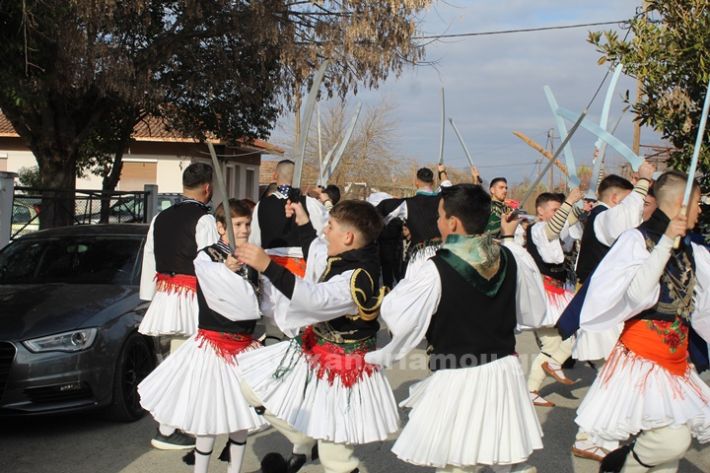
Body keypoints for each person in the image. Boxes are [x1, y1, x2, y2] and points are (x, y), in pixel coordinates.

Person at [365, 184, 546, 473]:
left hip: (459, 372)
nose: (437, 221)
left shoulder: (434, 269)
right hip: (504, 369)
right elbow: (534, 314)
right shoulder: (512, 257)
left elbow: (397, 317)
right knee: (496, 444)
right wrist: (509, 239)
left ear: (452, 222)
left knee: (456, 457)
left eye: (439, 216)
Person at [236, 199, 399, 473]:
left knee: (334, 457)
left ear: (348, 237)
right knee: (253, 388)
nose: (325, 230)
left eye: (330, 226)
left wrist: (268, 266)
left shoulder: (357, 278)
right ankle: (304, 436)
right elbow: (317, 249)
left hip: (344, 370)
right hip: (315, 350)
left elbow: (314, 299)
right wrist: (302, 221)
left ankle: (319, 445)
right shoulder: (348, 254)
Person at [574, 171, 710, 473]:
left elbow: (703, 307)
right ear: (681, 203)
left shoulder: (692, 249)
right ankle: (622, 464)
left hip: (675, 361)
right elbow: (636, 295)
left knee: (668, 459)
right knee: (672, 439)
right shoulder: (636, 240)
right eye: (698, 203)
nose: (701, 211)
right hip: (642, 358)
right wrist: (664, 243)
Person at [138, 200, 264, 473]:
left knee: (241, 415)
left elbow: (262, 298)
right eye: (237, 225)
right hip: (214, 346)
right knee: (209, 416)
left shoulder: (254, 257)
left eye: (247, 224)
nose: (243, 230)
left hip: (244, 346)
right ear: (221, 227)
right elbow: (205, 274)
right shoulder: (207, 257)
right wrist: (225, 269)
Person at [561, 163, 655, 462]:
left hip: (605, 309)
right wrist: (643, 182)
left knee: (613, 376)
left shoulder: (603, 218)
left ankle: (600, 436)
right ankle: (591, 437)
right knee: (612, 376)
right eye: (633, 200)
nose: (638, 207)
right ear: (616, 199)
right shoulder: (604, 217)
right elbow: (625, 219)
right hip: (600, 310)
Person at [139, 162, 219, 449]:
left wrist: (149, 297)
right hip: (191, 298)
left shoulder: (160, 217)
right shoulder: (204, 220)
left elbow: (150, 257)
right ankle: (168, 428)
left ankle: (176, 424)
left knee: (178, 361)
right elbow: (210, 265)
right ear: (207, 188)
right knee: (182, 365)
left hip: (165, 295)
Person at [525, 188, 584, 407]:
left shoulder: (555, 229)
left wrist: (579, 207)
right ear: (540, 211)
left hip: (557, 292)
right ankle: (553, 365)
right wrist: (569, 202)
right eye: (554, 210)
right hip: (545, 294)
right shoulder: (538, 229)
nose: (558, 213)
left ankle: (531, 390)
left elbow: (565, 224)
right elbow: (552, 230)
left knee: (553, 346)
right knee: (572, 333)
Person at [249, 159, 328, 278]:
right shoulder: (311, 204)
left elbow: (254, 241)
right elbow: (325, 235)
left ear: (275, 176)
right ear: (297, 177)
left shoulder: (261, 205)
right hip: (302, 273)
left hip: (270, 272)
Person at [377, 166, 450, 277]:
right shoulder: (443, 199)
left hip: (419, 258)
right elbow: (447, 185)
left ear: (416, 182)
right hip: (442, 254)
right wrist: (442, 171)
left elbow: (379, 213)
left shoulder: (407, 204)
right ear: (433, 182)